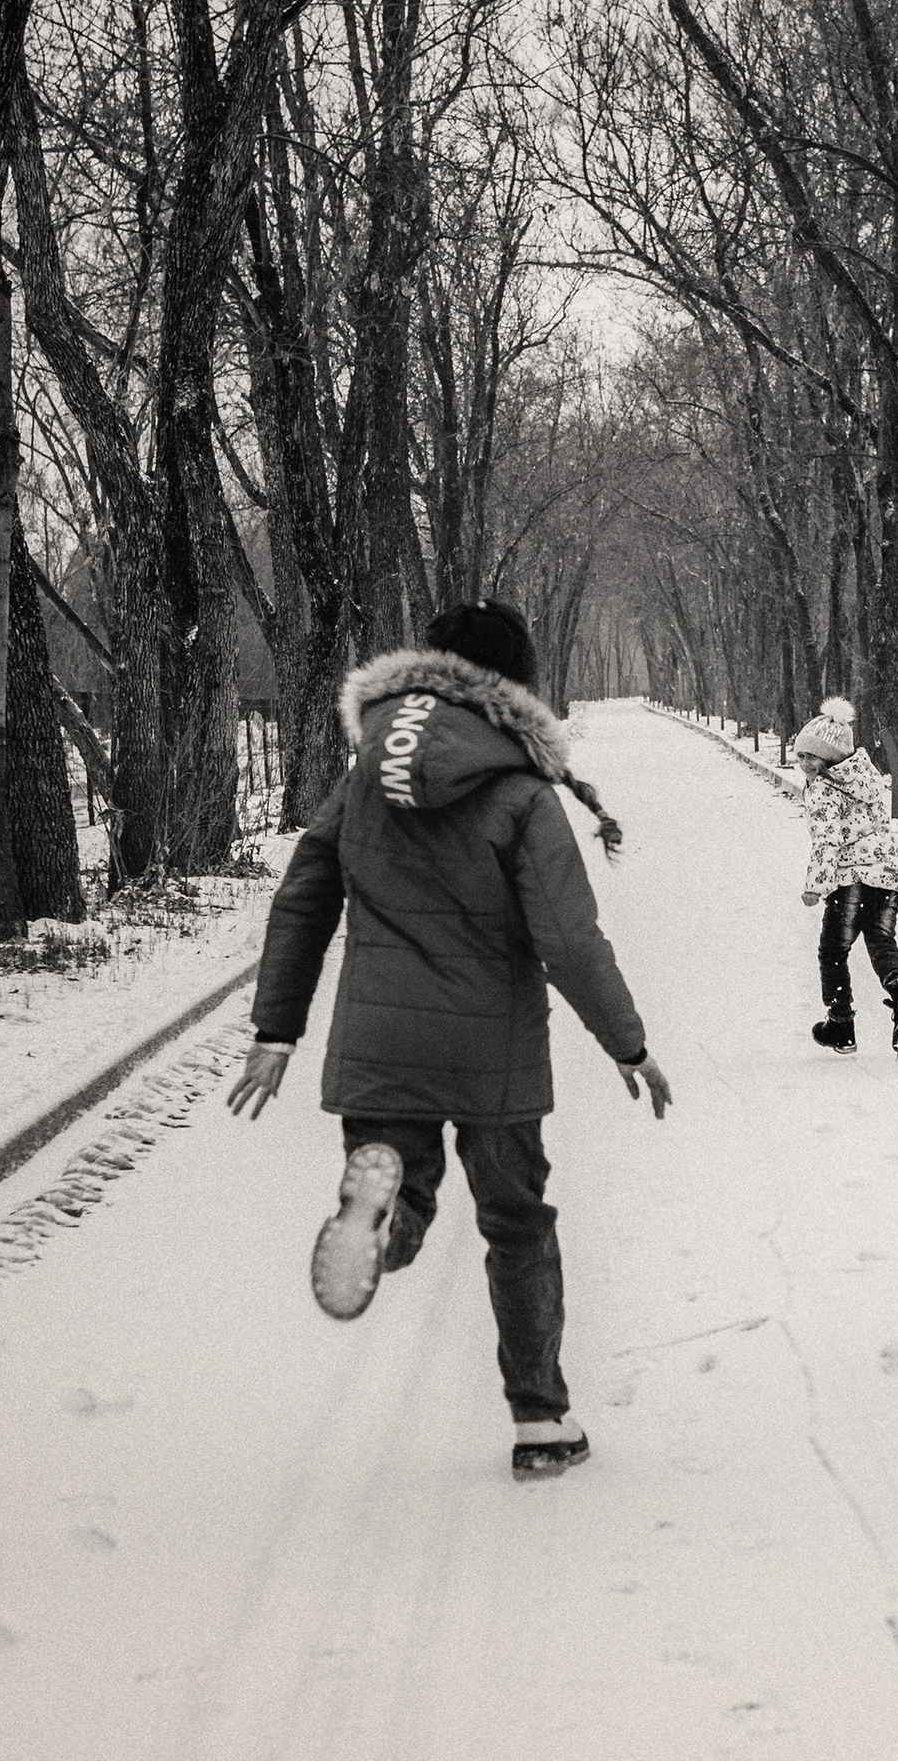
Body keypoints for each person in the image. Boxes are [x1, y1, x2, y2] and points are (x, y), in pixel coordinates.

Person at [227, 602, 671, 1479]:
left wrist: (276, 1032)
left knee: (406, 1183)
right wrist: (628, 1045)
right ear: (515, 684)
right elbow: (568, 939)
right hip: (492, 1051)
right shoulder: (520, 793)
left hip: (380, 1040)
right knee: (517, 1226)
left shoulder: (364, 776)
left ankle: (385, 1220)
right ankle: (541, 1422)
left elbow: (304, 898)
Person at [793, 693, 898, 1055]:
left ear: (832, 757)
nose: (804, 764)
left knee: (833, 950)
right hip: (884, 877)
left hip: (849, 879)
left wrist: (815, 886)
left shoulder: (824, 788)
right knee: (881, 942)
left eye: (811, 756)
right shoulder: (867, 778)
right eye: (800, 755)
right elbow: (881, 828)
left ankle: (840, 1025)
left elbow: (827, 840)